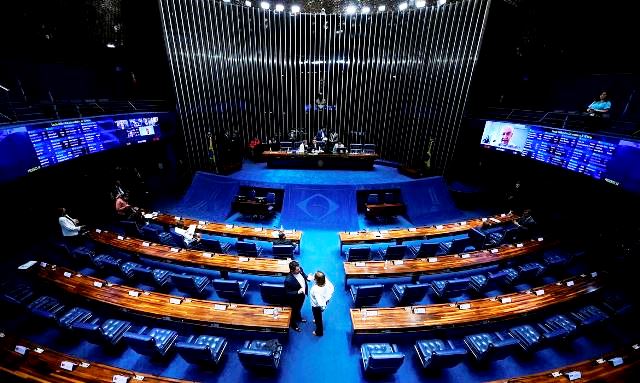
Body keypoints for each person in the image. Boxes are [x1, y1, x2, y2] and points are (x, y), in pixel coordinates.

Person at [308, 271, 334, 336]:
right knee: (317, 316)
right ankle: (316, 320)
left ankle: (319, 332)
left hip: (316, 306)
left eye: (314, 277)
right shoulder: (326, 281)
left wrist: (322, 308)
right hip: (325, 300)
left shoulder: (316, 290)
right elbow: (332, 288)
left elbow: (321, 303)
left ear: (316, 280)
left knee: (318, 318)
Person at [284, 260, 308, 332]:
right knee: (293, 311)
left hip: (302, 295)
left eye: (299, 268)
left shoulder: (300, 269)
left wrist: (307, 277)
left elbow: (303, 275)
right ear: (292, 270)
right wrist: (297, 292)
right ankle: (293, 324)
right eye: (297, 269)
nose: (299, 270)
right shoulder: (288, 280)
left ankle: (299, 317)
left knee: (299, 308)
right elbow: (288, 293)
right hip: (294, 299)